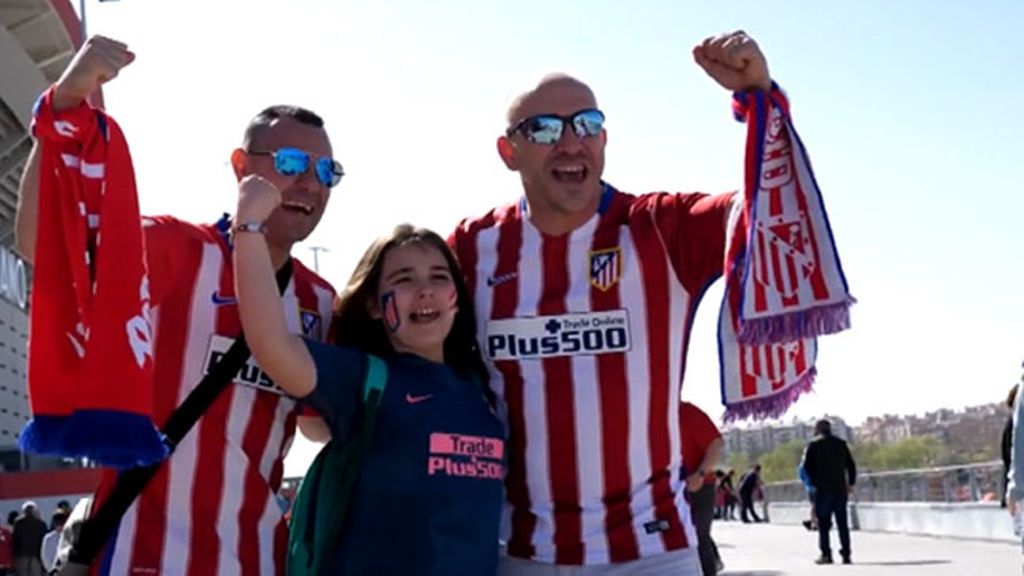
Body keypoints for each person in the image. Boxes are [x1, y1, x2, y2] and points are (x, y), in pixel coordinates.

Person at [449, 29, 809, 574]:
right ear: (509, 151)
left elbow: (773, 211)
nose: (571, 143)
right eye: (544, 129)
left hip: (654, 552)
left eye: (587, 125)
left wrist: (759, 98)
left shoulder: (659, 228)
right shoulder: (471, 249)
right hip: (522, 553)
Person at [14, 36, 340, 575]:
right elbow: (42, 245)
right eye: (291, 162)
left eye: (328, 171)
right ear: (241, 166)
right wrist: (60, 112)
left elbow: (318, 427)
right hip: (142, 557)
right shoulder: (179, 250)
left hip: (255, 560)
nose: (311, 183)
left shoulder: (320, 301)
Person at [233, 180, 505, 576]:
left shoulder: (484, 389)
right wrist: (250, 228)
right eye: (404, 280)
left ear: (458, 298)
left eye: (439, 277)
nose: (425, 291)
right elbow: (271, 343)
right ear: (376, 307)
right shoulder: (363, 379)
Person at [802, 418, 856, 565]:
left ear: (818, 430)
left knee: (824, 525)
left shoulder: (813, 446)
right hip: (840, 489)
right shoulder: (841, 444)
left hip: (822, 490)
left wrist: (815, 482)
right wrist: (850, 483)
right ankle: (846, 554)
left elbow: (806, 467)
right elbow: (851, 466)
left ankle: (826, 554)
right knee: (842, 524)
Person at [679, 402, 724, 576]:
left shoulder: (687, 412)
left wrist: (701, 473)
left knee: (699, 539)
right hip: (667, 490)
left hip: (698, 487)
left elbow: (716, 443)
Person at [11, 503, 47, 576]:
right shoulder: (41, 523)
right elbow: (43, 541)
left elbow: (15, 540)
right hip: (36, 556)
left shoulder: (18, 523)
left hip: (22, 555)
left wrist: (14, 555)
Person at [40, 511, 67, 576]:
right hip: (53, 571)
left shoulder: (68, 536)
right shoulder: (49, 537)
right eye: (58, 523)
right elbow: (45, 557)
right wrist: (52, 570)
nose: (60, 525)